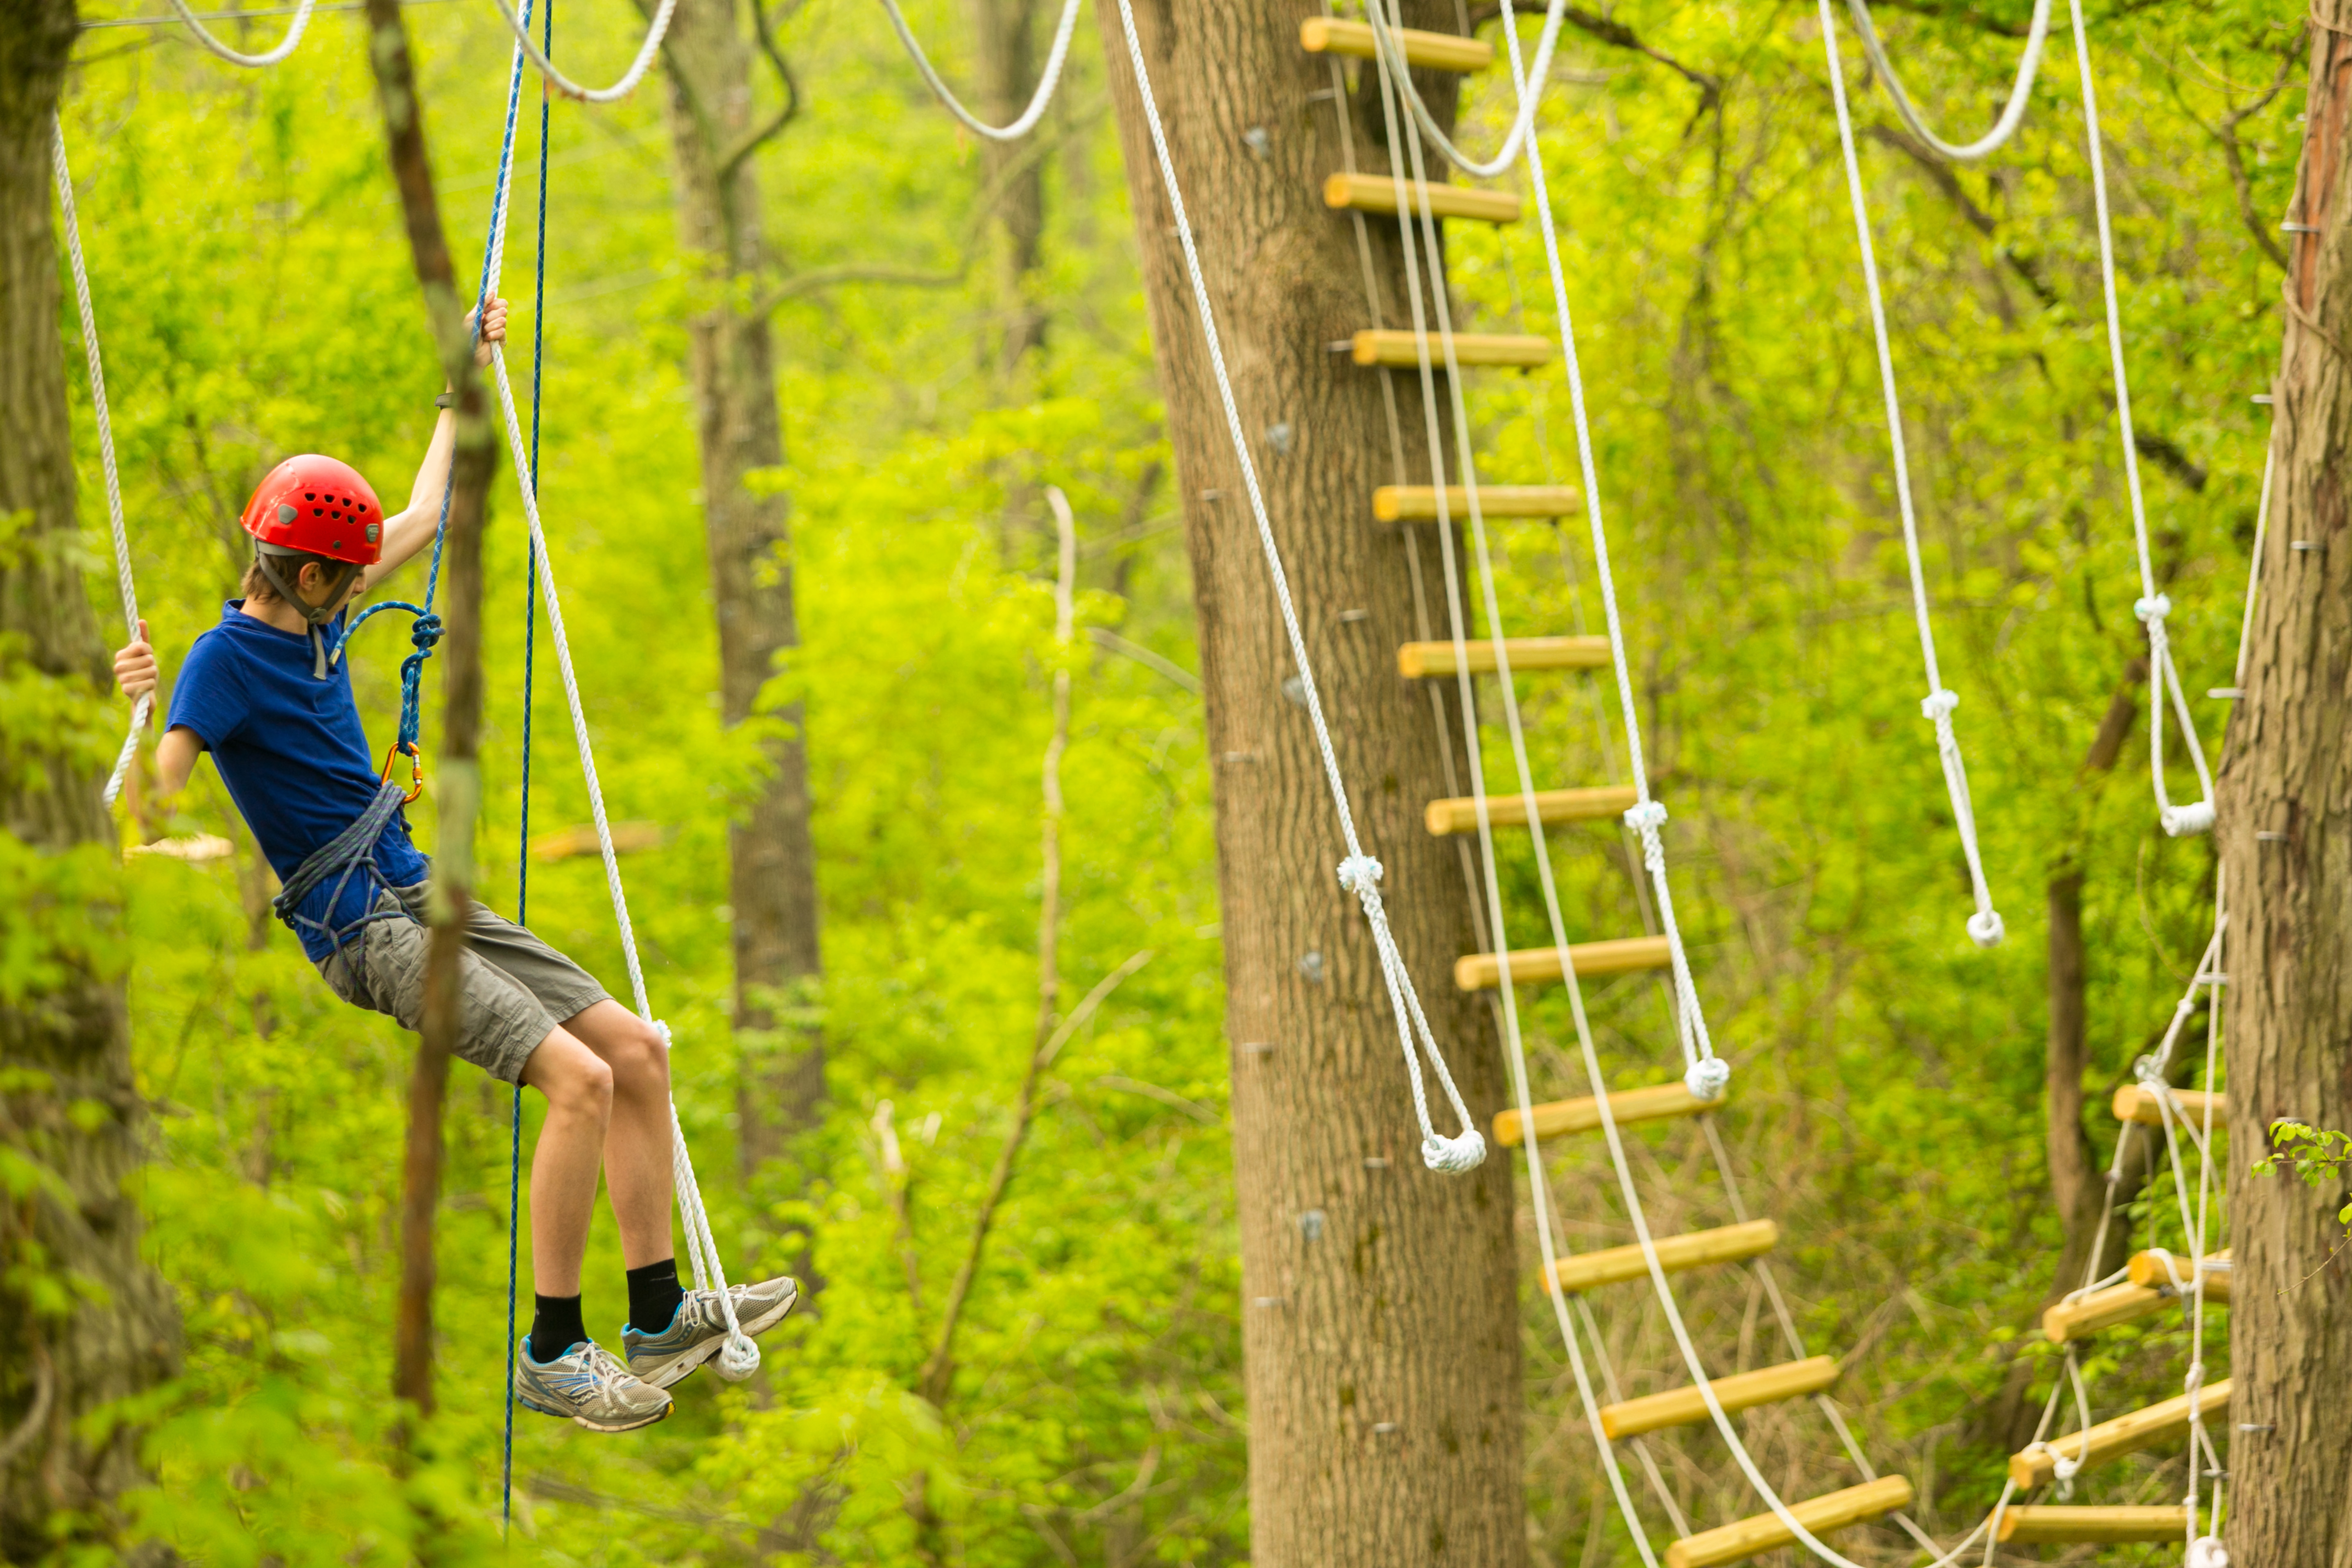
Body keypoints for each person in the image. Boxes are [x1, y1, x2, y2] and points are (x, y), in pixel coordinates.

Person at [110, 299, 793, 1433]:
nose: (356, 579)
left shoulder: (316, 602)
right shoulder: (221, 663)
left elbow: (426, 512)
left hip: (415, 886)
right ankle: (553, 1351)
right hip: (358, 927)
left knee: (634, 1051)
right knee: (575, 1081)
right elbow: (149, 803)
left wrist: (462, 383)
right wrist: (137, 711)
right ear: (309, 573)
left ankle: (661, 1309)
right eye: (343, 570)